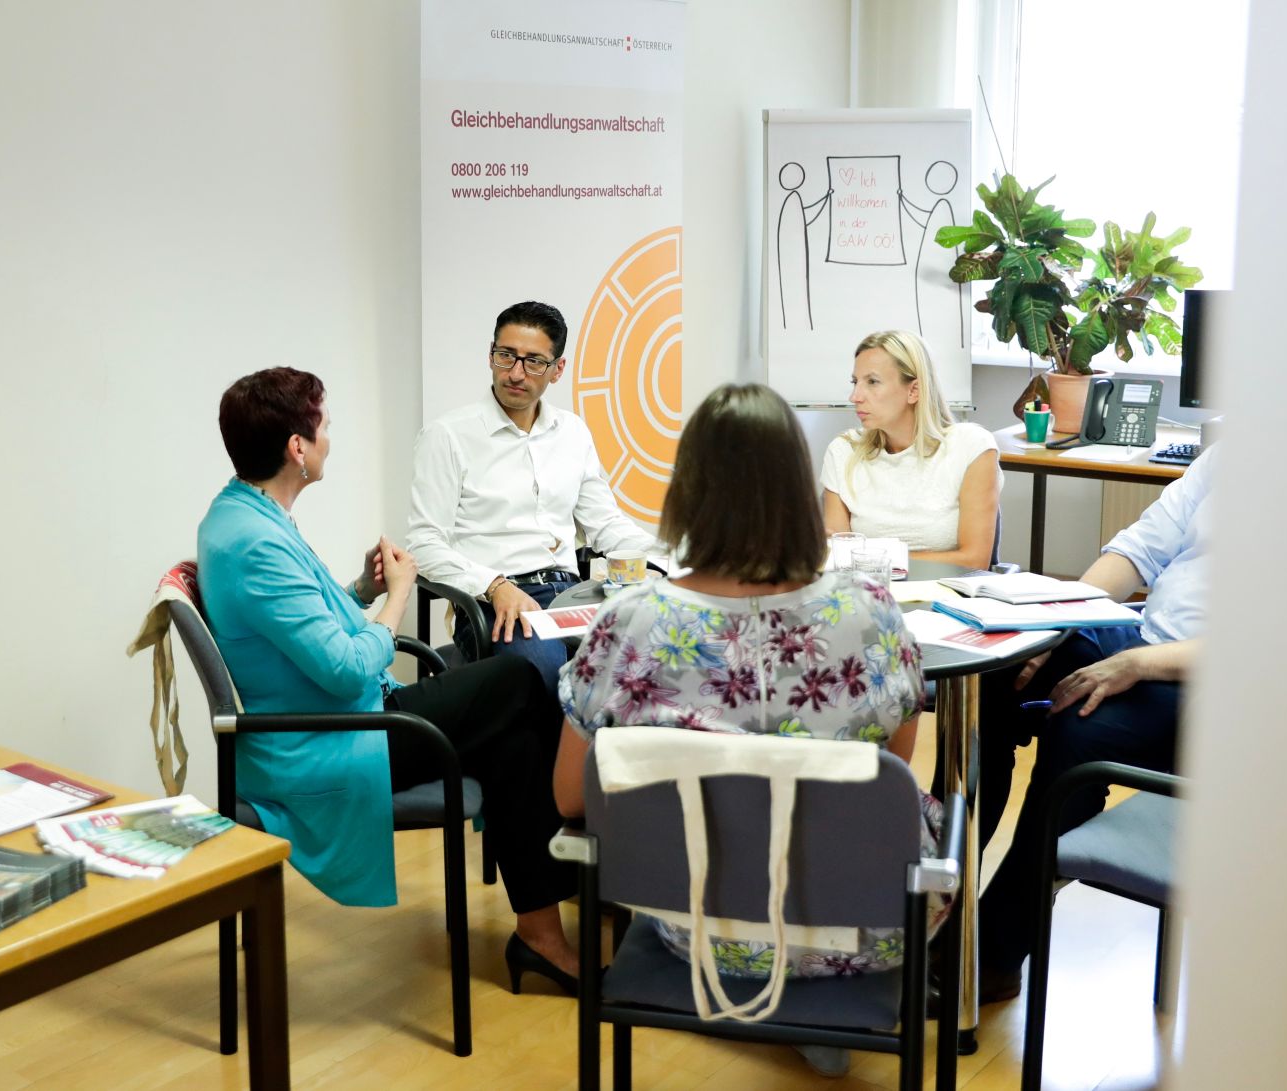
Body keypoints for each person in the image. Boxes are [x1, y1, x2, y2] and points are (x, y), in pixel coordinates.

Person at [550, 383, 947, 1079]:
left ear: (688, 491)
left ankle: (771, 1008)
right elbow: (898, 767)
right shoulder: (867, 614)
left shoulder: (629, 622)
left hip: (694, 919)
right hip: (863, 923)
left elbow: (568, 799)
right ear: (799, 489)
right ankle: (810, 1009)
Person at [198, 367, 581, 991]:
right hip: (327, 738)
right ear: (299, 447)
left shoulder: (246, 515)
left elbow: (305, 629)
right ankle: (577, 848)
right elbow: (347, 664)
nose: (329, 438)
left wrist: (361, 590)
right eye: (324, 426)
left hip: (345, 714)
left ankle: (541, 937)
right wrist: (398, 596)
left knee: (515, 738)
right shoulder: (253, 542)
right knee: (516, 683)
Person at [972, 445, 1216, 1003]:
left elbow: (1284, 640)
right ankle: (947, 888)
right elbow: (1137, 551)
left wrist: (1136, 665)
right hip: (1145, 635)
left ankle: (998, 949)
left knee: (1080, 729)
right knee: (999, 671)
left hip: (1218, 684)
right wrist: (1054, 624)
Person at [408, 301, 660, 693]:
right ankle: (554, 757)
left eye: (534, 362)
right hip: (498, 599)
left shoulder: (572, 432)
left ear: (558, 369)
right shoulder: (448, 435)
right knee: (544, 674)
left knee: (656, 654)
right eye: (506, 356)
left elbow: (605, 524)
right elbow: (423, 544)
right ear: (490, 355)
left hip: (574, 594)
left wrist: (673, 561)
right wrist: (494, 585)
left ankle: (607, 757)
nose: (515, 373)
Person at [820, 330, 1001, 569]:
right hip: (869, 597)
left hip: (946, 598)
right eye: (855, 382)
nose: (855, 396)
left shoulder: (972, 447)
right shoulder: (843, 451)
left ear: (913, 391)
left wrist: (873, 558)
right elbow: (839, 559)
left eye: (872, 382)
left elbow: (974, 560)